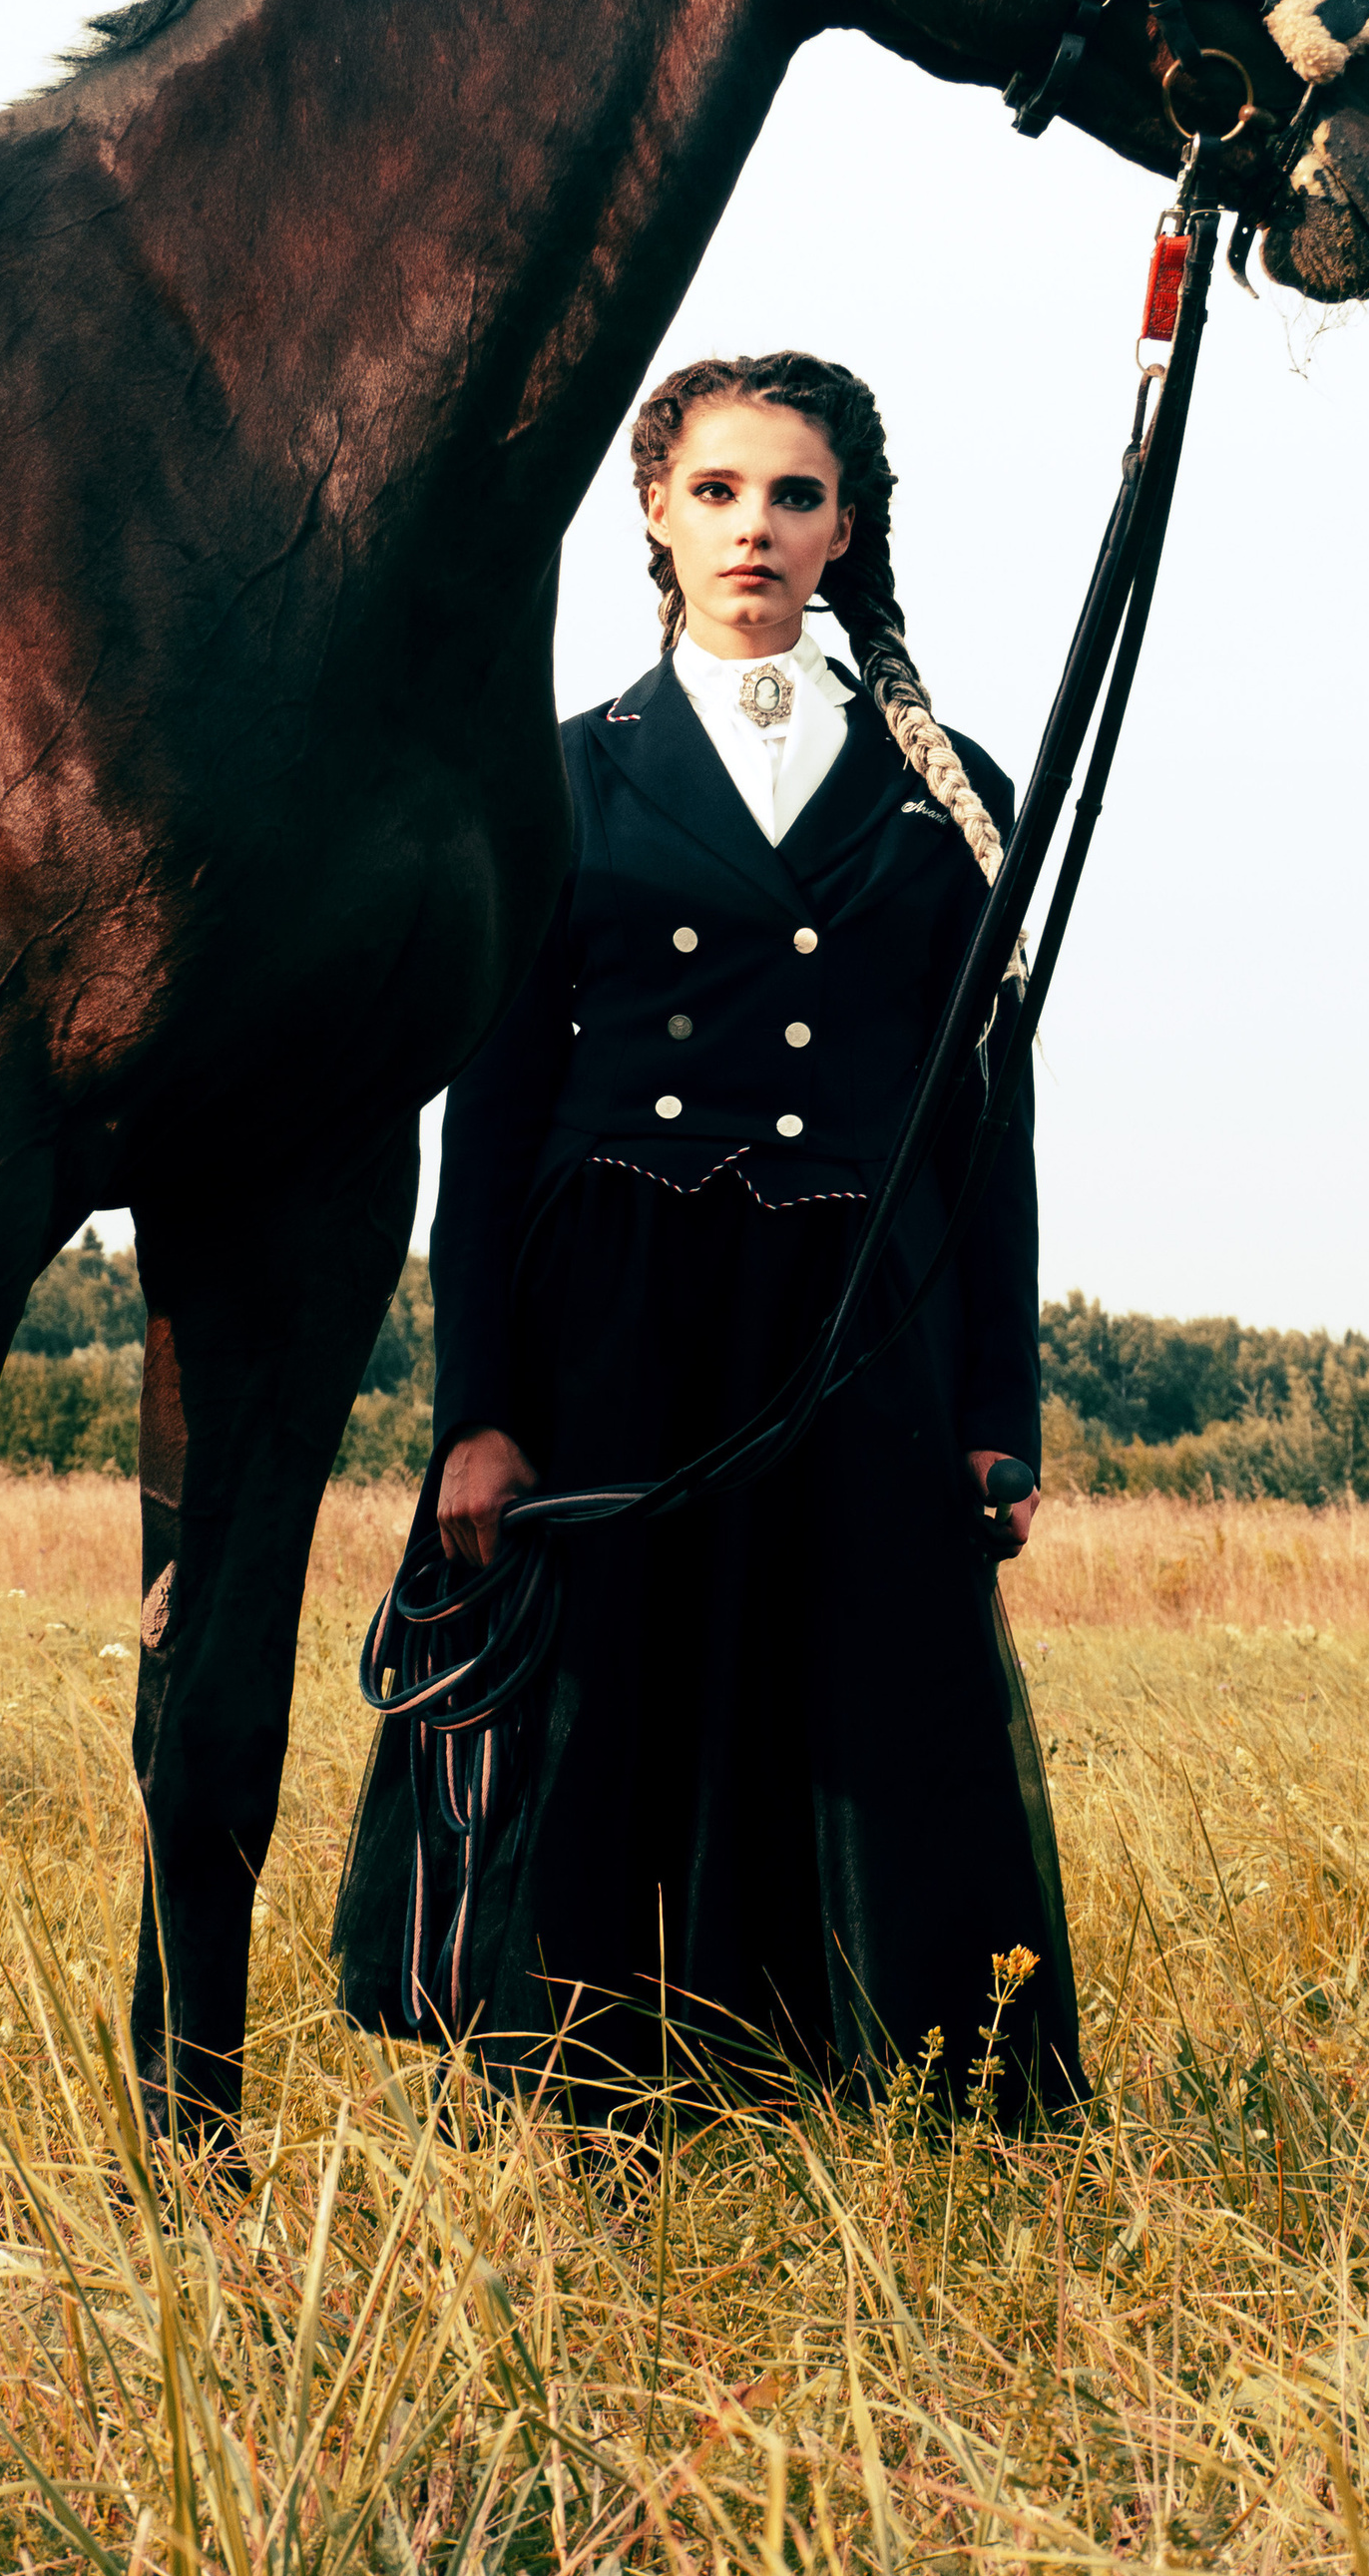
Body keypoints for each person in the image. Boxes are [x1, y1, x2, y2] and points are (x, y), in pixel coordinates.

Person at [338, 350, 1084, 2121]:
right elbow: (493, 1121)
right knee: (619, 1695)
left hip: (860, 1315)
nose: (756, 528)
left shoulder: (950, 787)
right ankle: (607, 2093)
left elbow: (992, 1127)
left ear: (849, 530)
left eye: (796, 495)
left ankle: (902, 2099)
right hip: (618, 1311)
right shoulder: (562, 773)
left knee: (868, 1691)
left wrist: (1001, 1401)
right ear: (656, 516)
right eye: (721, 491)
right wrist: (477, 1408)